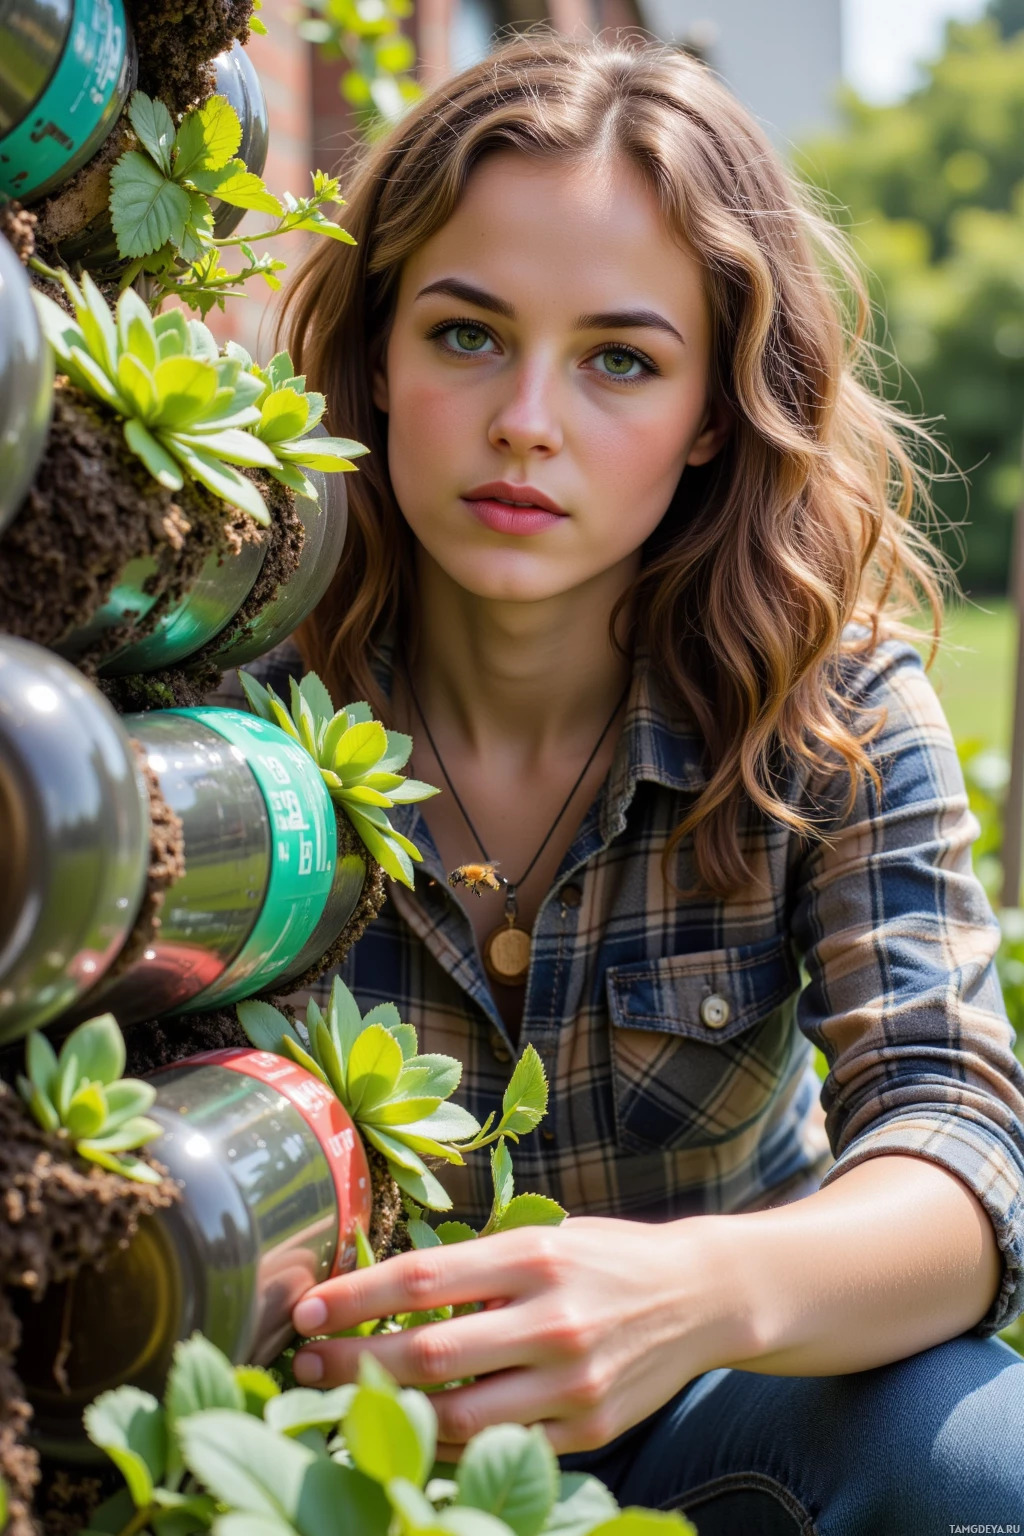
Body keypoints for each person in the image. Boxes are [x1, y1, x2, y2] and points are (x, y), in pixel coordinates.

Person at [251, 35, 1024, 1532]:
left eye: (621, 358)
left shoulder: (832, 704)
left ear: (716, 413)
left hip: (717, 1428)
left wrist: (688, 1293)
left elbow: (965, 1152)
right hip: (317, 1445)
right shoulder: (236, 704)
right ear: (381, 351)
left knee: (980, 1459)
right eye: (468, 334)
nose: (527, 419)